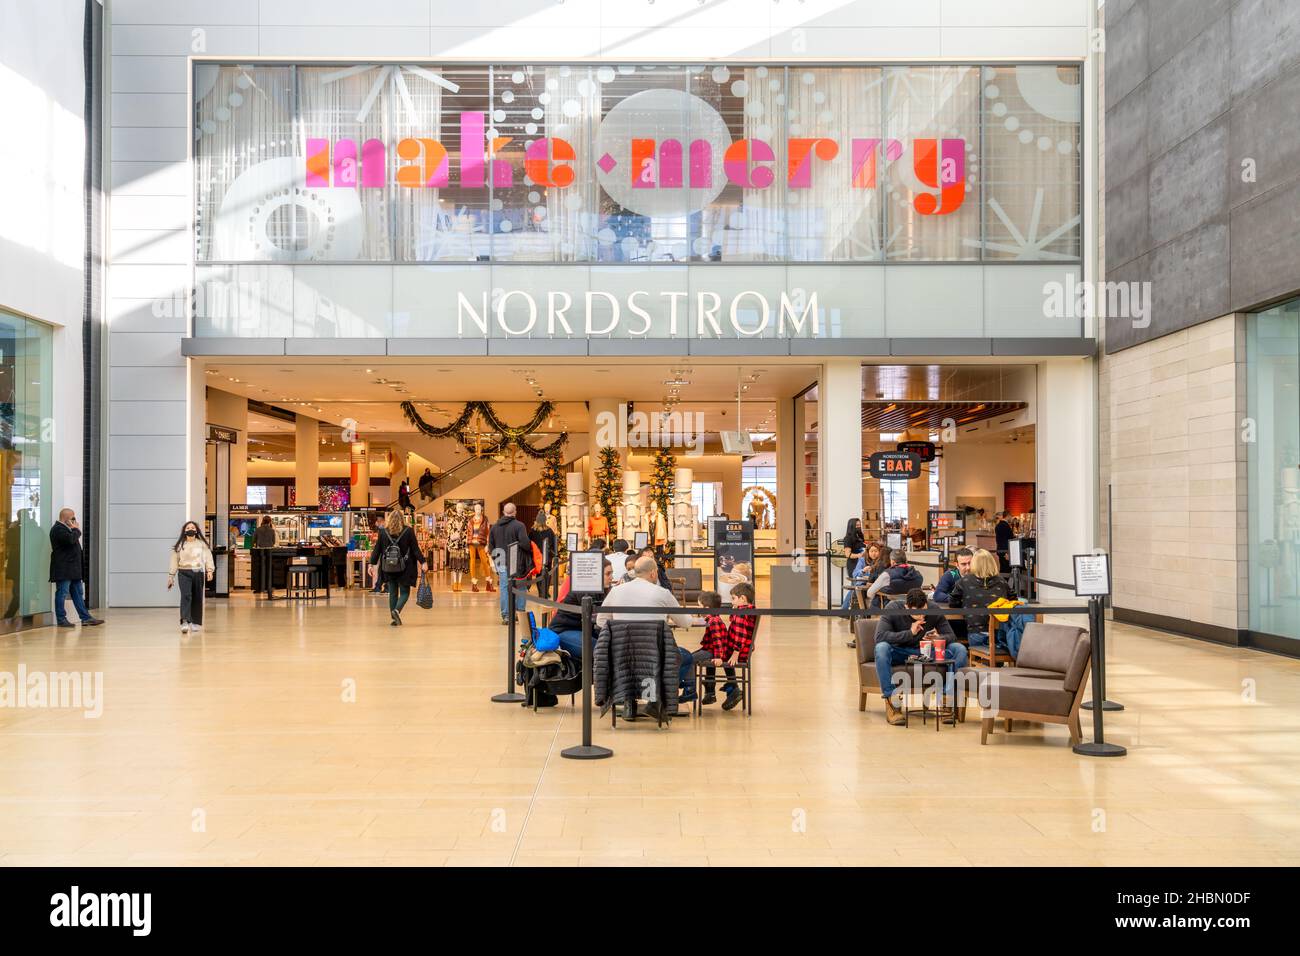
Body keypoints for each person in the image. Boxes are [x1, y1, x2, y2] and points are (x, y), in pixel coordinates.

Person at [874, 588, 969, 726]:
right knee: (881, 648)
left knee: (959, 649)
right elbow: (880, 637)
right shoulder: (893, 608)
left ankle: (946, 698)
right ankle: (892, 702)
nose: (921, 616)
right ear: (907, 607)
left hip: (925, 652)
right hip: (900, 652)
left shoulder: (933, 609)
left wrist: (938, 638)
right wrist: (910, 633)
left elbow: (951, 636)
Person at [677, 584, 757, 711]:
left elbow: (737, 637)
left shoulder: (741, 614)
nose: (731, 602)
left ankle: (690, 689)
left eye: (733, 598)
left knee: (690, 659)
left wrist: (733, 653)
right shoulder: (743, 612)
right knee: (705, 657)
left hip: (734, 651)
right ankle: (723, 690)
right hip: (730, 649)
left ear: (742, 598)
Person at [596, 556, 693, 629]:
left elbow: (600, 621)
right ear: (653, 573)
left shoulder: (616, 591)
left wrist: (621, 628)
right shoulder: (663, 593)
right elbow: (685, 623)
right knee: (686, 655)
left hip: (622, 651)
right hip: (655, 652)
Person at [368, 508, 425, 626]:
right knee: (405, 592)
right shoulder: (408, 531)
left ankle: (394, 619)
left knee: (393, 592)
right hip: (405, 567)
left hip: (388, 567)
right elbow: (415, 549)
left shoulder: (383, 532)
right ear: (402, 519)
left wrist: (371, 564)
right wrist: (423, 562)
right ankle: (396, 611)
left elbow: (377, 550)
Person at [549, 559, 614, 660]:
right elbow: (596, 618)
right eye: (608, 574)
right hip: (563, 631)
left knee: (610, 647)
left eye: (612, 573)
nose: (611, 577)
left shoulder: (602, 589)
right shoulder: (584, 589)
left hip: (583, 629)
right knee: (600, 650)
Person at [49, 508, 103, 629]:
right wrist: (76, 529)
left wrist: (73, 529)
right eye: (73, 518)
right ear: (67, 518)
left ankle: (86, 618)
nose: (74, 520)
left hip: (73, 570)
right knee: (62, 593)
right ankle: (61, 619)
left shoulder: (66, 529)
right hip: (64, 569)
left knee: (78, 593)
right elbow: (70, 540)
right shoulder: (58, 529)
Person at [949, 548, 1010, 651]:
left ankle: (981, 664)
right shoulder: (1002, 581)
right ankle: (994, 665)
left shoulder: (964, 581)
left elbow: (953, 602)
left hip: (976, 631)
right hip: (1000, 632)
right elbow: (1013, 599)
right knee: (995, 661)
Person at [489, 502, 535, 624]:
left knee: (504, 588)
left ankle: (506, 615)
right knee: (520, 586)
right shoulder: (519, 526)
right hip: (516, 562)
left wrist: (496, 561)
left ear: (504, 512)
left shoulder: (494, 527)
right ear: (515, 512)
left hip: (501, 560)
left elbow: (491, 546)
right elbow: (525, 544)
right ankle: (519, 612)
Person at [167, 520, 214, 634]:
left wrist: (210, 570)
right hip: (183, 572)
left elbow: (208, 557)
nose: (190, 529)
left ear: (196, 530)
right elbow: (174, 561)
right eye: (188, 528)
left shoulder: (202, 544)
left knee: (197, 597)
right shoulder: (179, 545)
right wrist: (171, 576)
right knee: (186, 596)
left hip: (198, 572)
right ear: (184, 531)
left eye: (192, 527)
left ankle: (195, 622)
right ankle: (184, 621)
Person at [530, 510, 557, 599]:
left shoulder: (533, 531)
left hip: (537, 556)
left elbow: (529, 542)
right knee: (547, 573)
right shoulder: (549, 531)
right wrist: (553, 553)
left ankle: (541, 592)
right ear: (545, 521)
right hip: (547, 556)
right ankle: (545, 592)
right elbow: (554, 542)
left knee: (539, 574)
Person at [369, 512, 387, 593]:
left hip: (385, 552)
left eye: (378, 520)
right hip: (384, 552)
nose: (377, 521)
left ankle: (383, 587)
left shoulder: (383, 528)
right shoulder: (382, 528)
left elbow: (380, 541)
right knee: (382, 570)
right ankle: (379, 586)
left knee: (384, 570)